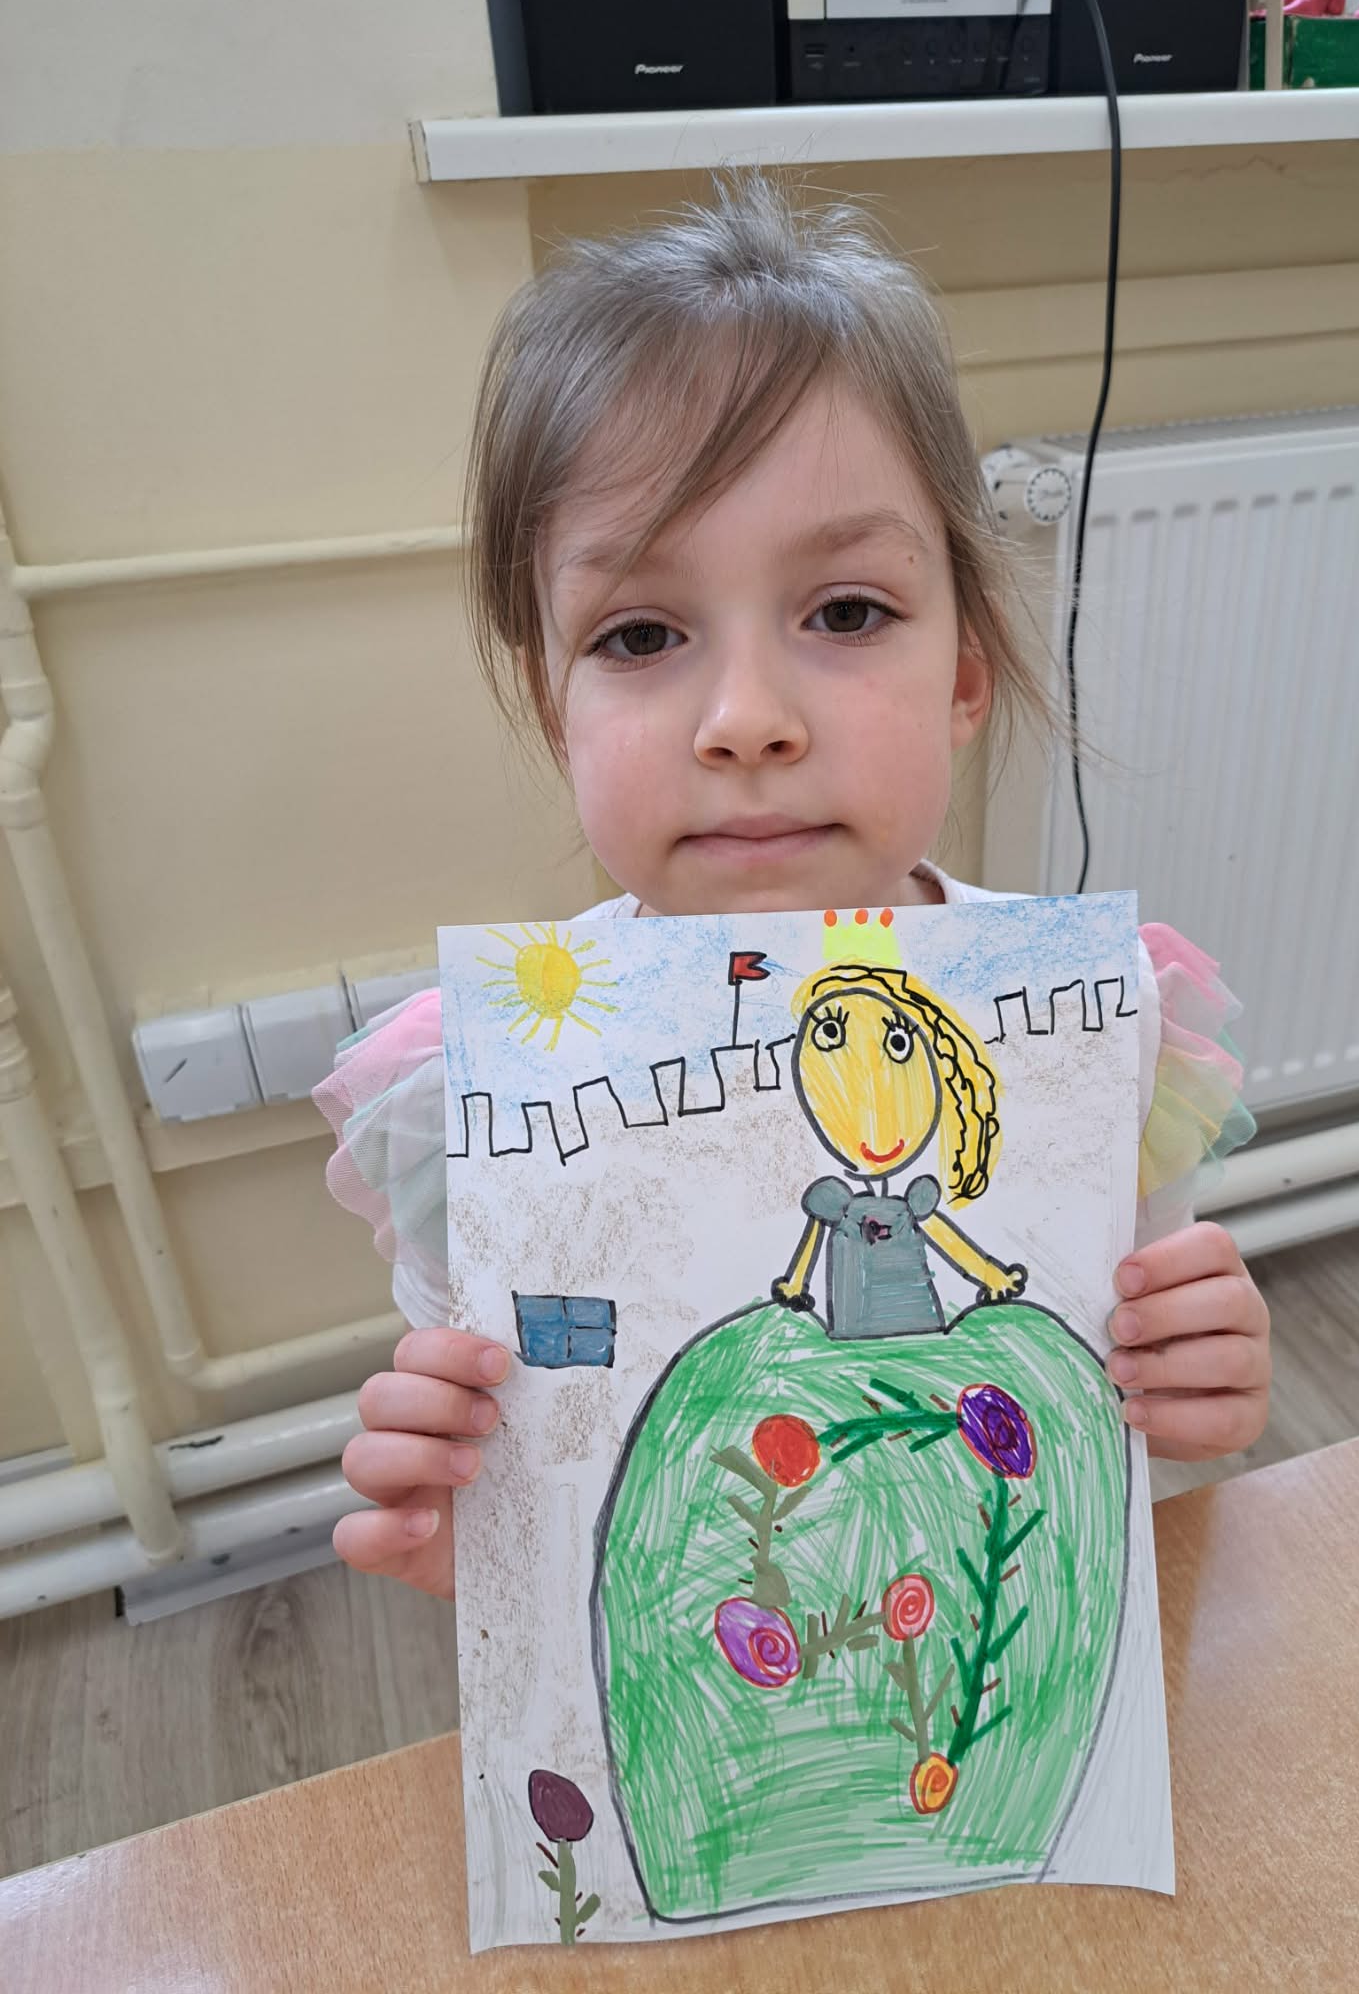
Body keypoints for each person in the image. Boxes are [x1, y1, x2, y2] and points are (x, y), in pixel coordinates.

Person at [314, 176, 1269, 1603]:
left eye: (846, 611)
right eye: (640, 635)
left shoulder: (1097, 1030)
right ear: (556, 704)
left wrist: (1197, 1394)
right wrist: (477, 1523)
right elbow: (547, 1494)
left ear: (963, 674)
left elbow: (1113, 1436)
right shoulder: (477, 1097)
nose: (747, 720)